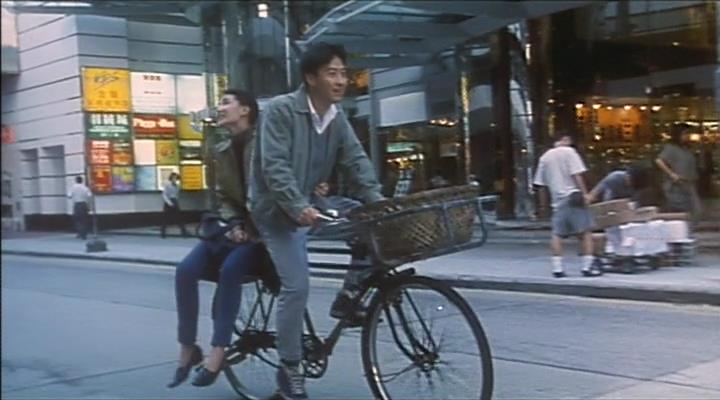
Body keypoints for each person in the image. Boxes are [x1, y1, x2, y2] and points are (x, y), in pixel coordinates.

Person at [250, 42, 384, 400]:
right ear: (311, 78)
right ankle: (289, 368)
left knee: (371, 227)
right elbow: (274, 165)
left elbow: (356, 160)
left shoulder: (336, 118)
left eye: (343, 73)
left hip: (312, 202)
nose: (340, 81)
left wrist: (378, 202)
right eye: (331, 73)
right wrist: (297, 205)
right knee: (296, 287)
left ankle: (348, 296)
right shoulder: (280, 110)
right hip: (275, 211)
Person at [168, 89, 266, 388]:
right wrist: (234, 222)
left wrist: (250, 226)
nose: (219, 108)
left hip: (262, 233)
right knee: (185, 271)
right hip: (229, 229)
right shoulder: (221, 148)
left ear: (245, 110)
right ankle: (188, 347)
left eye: (226, 102)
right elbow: (222, 195)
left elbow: (272, 190)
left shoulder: (265, 144)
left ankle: (218, 351)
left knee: (231, 271)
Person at [533, 131, 601, 278]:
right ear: (565, 139)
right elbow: (576, 175)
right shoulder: (569, 152)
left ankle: (557, 268)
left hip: (557, 201)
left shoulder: (544, 158)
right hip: (573, 196)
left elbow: (540, 185)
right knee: (585, 233)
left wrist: (543, 206)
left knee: (557, 235)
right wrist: (585, 194)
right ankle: (587, 267)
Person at [655, 123, 702, 222]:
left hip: (689, 183)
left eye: (688, 134)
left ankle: (688, 228)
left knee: (695, 210)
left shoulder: (686, 149)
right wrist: (671, 174)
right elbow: (659, 161)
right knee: (682, 211)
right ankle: (683, 229)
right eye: (685, 134)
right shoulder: (671, 148)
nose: (688, 136)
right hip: (677, 185)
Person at [160, 172, 188, 238]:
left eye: (176, 178)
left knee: (179, 217)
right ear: (171, 178)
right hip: (168, 202)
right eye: (173, 178)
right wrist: (169, 203)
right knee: (165, 218)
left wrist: (176, 201)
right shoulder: (167, 185)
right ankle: (163, 233)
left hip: (175, 201)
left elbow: (176, 194)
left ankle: (183, 233)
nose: (175, 179)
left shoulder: (177, 186)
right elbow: (164, 195)